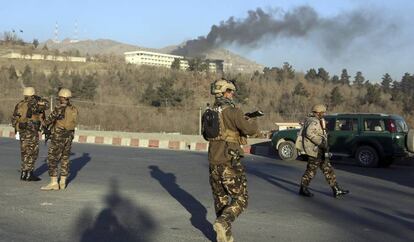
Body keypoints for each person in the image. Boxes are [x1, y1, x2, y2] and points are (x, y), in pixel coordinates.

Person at [206, 79, 258, 242]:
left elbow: (206, 135)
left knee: (221, 200)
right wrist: (250, 119)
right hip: (230, 161)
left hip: (213, 162)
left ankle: (225, 236)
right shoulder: (233, 111)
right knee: (241, 199)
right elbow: (250, 130)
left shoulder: (208, 112)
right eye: (230, 91)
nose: (232, 94)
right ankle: (223, 222)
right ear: (224, 92)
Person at [296, 104, 349, 198]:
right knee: (311, 170)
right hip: (316, 150)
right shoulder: (314, 121)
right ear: (318, 112)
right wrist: (320, 142)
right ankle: (303, 189)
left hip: (318, 149)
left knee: (327, 169)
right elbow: (309, 133)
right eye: (323, 112)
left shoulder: (312, 120)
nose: (324, 114)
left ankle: (336, 189)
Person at [41, 88, 78, 191]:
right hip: (69, 136)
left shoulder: (59, 109)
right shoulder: (73, 109)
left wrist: (41, 118)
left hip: (58, 136)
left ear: (61, 97)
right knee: (65, 158)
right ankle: (63, 182)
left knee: (52, 158)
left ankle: (53, 183)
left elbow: (47, 122)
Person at [11, 87, 49, 181]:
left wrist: (17, 128)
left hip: (22, 130)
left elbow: (14, 119)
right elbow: (46, 105)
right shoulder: (34, 103)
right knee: (32, 152)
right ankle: (29, 174)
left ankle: (24, 173)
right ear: (33, 94)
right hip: (31, 131)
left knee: (24, 152)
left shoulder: (20, 104)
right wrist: (39, 99)